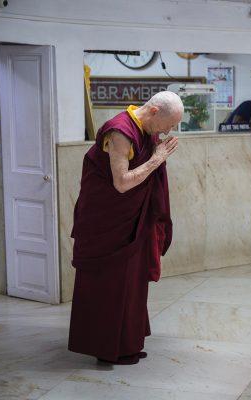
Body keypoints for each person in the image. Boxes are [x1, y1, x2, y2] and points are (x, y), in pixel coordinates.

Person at [68, 91, 184, 365]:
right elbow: (121, 183)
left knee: (132, 285)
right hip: (107, 224)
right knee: (110, 287)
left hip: (132, 222)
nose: (169, 131)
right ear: (154, 111)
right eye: (169, 124)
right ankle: (107, 348)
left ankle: (128, 343)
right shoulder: (120, 132)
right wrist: (157, 159)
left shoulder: (146, 130)